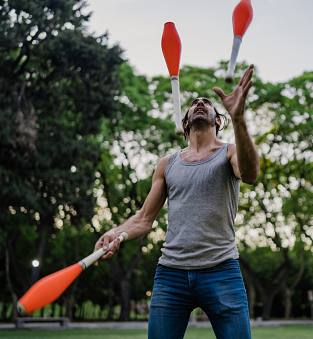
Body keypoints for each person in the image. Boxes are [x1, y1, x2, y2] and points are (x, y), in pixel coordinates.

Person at [94, 65, 259, 339]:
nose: (200, 104)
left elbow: (251, 174)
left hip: (221, 270)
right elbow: (144, 218)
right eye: (194, 103)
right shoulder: (167, 164)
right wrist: (115, 233)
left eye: (207, 103)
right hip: (171, 275)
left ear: (218, 121)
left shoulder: (229, 152)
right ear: (185, 123)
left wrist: (239, 118)